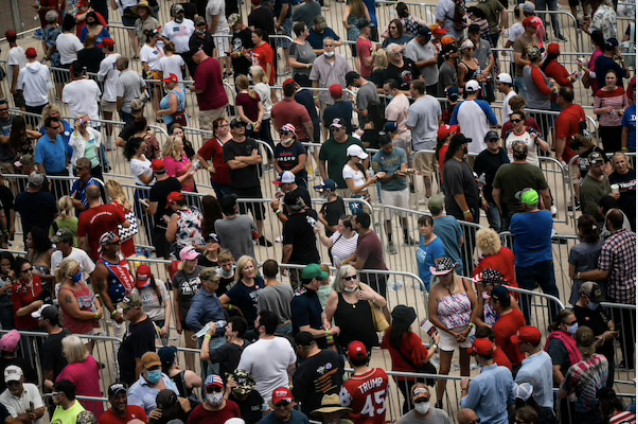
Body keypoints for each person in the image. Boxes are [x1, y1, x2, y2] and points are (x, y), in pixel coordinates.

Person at [579, 209, 636, 367]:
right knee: (632, 326)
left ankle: (629, 361)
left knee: (623, 330)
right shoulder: (633, 236)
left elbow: (603, 273)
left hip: (618, 294)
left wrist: (580, 275)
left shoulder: (609, 245)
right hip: (633, 289)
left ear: (609, 223)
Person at [427, 258, 477, 408]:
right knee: (443, 368)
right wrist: (450, 332)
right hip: (448, 334)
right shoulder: (435, 290)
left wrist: (469, 328)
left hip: (467, 330)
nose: (443, 278)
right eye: (440, 275)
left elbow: (475, 305)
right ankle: (440, 400)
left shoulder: (464, 282)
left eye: (445, 275)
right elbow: (432, 317)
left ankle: (464, 394)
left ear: (452, 272)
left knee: (465, 364)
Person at [509, 188, 560, 322]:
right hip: (545, 261)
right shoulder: (547, 216)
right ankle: (555, 321)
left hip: (525, 264)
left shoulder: (517, 219)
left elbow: (512, 231)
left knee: (525, 296)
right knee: (552, 294)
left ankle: (526, 323)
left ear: (524, 205)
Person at [381, 306, 439, 413]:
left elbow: (385, 345)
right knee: (414, 402)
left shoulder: (389, 333)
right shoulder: (412, 339)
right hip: (413, 376)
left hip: (397, 375)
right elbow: (424, 359)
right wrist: (435, 344)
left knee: (408, 400)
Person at [223, 119, 271, 247]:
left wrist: (240, 159)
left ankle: (260, 235)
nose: (241, 128)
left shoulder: (252, 142)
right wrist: (250, 160)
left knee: (259, 212)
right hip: (238, 186)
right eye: (238, 126)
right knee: (242, 215)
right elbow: (232, 165)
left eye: (243, 126)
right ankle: (246, 237)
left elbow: (258, 159)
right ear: (232, 130)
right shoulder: (228, 146)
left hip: (254, 183)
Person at [324, 265, 384, 354]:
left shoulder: (363, 288)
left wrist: (371, 297)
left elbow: (383, 303)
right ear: (341, 280)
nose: (352, 280)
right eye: (348, 278)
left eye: (354, 277)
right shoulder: (336, 296)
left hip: (367, 342)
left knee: (365, 366)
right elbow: (327, 319)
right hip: (346, 344)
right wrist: (331, 343)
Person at [237, 310, 297, 400]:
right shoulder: (285, 342)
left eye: (256, 321)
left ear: (262, 328)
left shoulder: (250, 350)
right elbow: (292, 368)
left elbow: (241, 378)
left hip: (263, 400)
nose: (254, 322)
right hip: (284, 396)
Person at [492, 142, 551, 230]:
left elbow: (495, 194)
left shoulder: (503, 170)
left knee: (511, 241)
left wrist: (501, 210)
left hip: (510, 213)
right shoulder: (535, 171)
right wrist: (547, 210)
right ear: (526, 153)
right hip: (533, 213)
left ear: (512, 152)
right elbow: (546, 195)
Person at [559, 327, 609, 424]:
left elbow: (562, 394)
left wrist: (564, 385)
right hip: (602, 408)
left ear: (576, 344)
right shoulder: (602, 359)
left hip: (584, 414)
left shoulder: (575, 370)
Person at [460, 339, 515, 424]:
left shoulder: (478, 381)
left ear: (478, 357)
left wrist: (464, 389)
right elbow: (512, 398)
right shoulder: (506, 371)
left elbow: (466, 407)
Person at [573, 282, 617, 388]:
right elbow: (583, 342)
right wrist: (601, 338)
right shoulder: (576, 314)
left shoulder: (597, 307)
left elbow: (610, 322)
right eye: (593, 301)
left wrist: (609, 332)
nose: (596, 303)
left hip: (608, 356)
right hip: (593, 362)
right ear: (584, 297)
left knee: (608, 388)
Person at [292, 332, 344, 416]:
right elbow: (342, 371)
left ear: (300, 348)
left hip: (316, 415)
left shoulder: (303, 369)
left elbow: (298, 396)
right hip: (338, 410)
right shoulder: (333, 355)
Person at [511, 326, 555, 421]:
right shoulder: (546, 356)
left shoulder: (526, 372)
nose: (517, 345)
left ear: (528, 344)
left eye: (520, 343)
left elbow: (518, 397)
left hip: (535, 415)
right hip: (548, 408)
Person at [407, 80, 441, 199]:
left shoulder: (414, 107)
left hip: (422, 143)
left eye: (411, 88)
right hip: (436, 139)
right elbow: (439, 117)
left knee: (426, 171)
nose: (409, 91)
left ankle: (429, 195)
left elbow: (411, 125)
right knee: (437, 168)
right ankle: (441, 191)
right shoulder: (434, 100)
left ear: (416, 91)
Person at [340, 341, 389, 424]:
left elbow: (341, 408)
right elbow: (386, 393)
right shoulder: (382, 374)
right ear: (367, 356)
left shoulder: (349, 386)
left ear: (349, 360)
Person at [118, 298, 162, 387]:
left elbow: (140, 363)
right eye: (123, 309)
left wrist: (139, 387)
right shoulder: (134, 323)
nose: (124, 312)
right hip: (127, 376)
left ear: (138, 309)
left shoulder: (141, 331)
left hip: (133, 380)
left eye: (127, 309)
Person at [56, 335, 103, 418]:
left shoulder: (69, 371)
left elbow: (61, 392)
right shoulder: (91, 359)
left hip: (81, 412)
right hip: (97, 407)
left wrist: (49, 385)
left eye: (65, 349)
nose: (63, 351)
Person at [77, 186, 129, 260]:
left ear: (87, 197)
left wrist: (86, 255)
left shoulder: (84, 216)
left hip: (98, 256)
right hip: (116, 253)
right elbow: (127, 224)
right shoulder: (112, 208)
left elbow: (82, 241)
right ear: (100, 194)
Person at [450, 80, 498, 156]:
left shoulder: (458, 106)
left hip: (465, 148)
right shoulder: (484, 104)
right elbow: (494, 122)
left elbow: (452, 126)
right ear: (478, 91)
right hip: (483, 147)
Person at [56, 260, 102, 339]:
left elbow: (93, 297)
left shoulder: (81, 284)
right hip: (77, 332)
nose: (80, 273)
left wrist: (99, 309)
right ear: (69, 274)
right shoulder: (65, 292)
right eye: (77, 271)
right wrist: (96, 315)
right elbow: (76, 313)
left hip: (90, 327)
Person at [346, 212, 389, 297]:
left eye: (353, 221)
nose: (351, 223)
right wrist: (345, 261)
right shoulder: (364, 234)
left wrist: (346, 264)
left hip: (376, 278)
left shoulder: (366, 242)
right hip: (372, 276)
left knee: (378, 304)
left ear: (358, 225)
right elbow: (357, 252)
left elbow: (359, 266)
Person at [319, 120, 367, 194]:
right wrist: (325, 180)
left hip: (353, 185)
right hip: (335, 186)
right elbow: (321, 163)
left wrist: (363, 172)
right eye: (332, 129)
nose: (334, 132)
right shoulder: (326, 145)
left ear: (344, 129)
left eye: (337, 129)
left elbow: (365, 157)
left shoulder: (355, 142)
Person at [443, 134, 480, 224]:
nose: (468, 146)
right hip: (460, 213)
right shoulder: (452, 166)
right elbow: (457, 192)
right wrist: (466, 211)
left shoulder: (462, 162)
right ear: (462, 147)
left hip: (472, 208)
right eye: (466, 144)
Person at [14, 173, 56, 248]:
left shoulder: (20, 197)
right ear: (41, 185)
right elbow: (55, 213)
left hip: (28, 233)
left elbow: (17, 210)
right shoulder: (48, 197)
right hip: (44, 233)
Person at [132, 266, 172, 345]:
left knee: (163, 349)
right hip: (146, 322)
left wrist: (166, 325)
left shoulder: (159, 284)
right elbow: (137, 312)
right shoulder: (135, 291)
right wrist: (150, 324)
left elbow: (167, 304)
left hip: (162, 321)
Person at [33, 305, 69, 390]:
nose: (38, 319)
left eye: (40, 318)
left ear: (47, 321)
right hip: (70, 380)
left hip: (58, 386)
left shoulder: (48, 344)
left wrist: (47, 386)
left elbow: (49, 372)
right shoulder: (67, 333)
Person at [193, 48, 229, 133]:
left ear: (196, 56)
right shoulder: (215, 62)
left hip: (209, 106)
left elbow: (199, 89)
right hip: (221, 101)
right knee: (224, 130)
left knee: (207, 133)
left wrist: (192, 88)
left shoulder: (201, 68)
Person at [491, 285, 526, 369]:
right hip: (523, 361)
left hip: (510, 367)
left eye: (491, 301)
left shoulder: (499, 327)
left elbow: (499, 353)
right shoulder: (519, 315)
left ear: (497, 303)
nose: (490, 303)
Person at [428, 196, 464, 276]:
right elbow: (461, 241)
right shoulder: (452, 220)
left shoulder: (429, 227)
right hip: (456, 264)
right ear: (443, 208)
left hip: (440, 268)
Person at [594, 70, 627, 153]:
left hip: (619, 124)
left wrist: (622, 110)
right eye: (607, 78)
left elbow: (627, 105)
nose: (609, 80)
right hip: (606, 126)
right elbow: (595, 110)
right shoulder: (600, 92)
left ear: (616, 79)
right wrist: (604, 109)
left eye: (612, 78)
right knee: (608, 151)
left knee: (619, 149)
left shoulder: (621, 91)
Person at [215, 195, 257, 261]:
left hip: (231, 262)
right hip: (249, 260)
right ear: (236, 208)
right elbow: (256, 235)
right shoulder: (246, 219)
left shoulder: (218, 224)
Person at [165, 192, 204, 258]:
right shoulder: (195, 210)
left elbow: (169, 238)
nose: (171, 208)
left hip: (185, 250)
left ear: (174, 203)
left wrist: (169, 223)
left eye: (171, 205)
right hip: (200, 247)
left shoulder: (176, 216)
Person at [17, 48, 52, 118]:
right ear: (36, 55)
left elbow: (20, 88)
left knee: (33, 125)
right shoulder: (45, 68)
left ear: (26, 57)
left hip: (30, 103)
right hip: (44, 101)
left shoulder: (23, 71)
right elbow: (49, 84)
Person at [416, 216, 446, 291]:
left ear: (433, 228)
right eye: (420, 226)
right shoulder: (423, 237)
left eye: (426, 226)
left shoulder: (437, 245)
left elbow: (441, 267)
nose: (423, 228)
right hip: (424, 282)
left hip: (433, 285)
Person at [581, 152, 611, 223]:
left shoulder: (604, 175)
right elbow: (592, 209)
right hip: (597, 220)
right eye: (597, 166)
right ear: (590, 167)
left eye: (602, 165)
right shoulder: (588, 185)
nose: (601, 168)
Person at [609, 153, 636, 230]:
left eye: (622, 161)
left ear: (626, 161)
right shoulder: (611, 178)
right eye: (617, 163)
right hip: (622, 212)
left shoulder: (634, 174)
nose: (620, 165)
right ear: (614, 164)